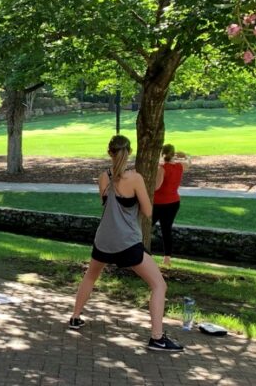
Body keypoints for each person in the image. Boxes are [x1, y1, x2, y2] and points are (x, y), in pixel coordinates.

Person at [69, 135, 183, 352]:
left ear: (109, 152)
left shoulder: (103, 177)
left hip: (103, 239)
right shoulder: (136, 178)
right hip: (127, 242)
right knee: (159, 285)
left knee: (91, 276)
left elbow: (108, 205)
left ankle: (75, 317)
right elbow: (148, 212)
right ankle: (157, 337)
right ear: (128, 152)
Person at [153, 144, 191, 267]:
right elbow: (189, 163)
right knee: (166, 229)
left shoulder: (162, 168)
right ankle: (167, 258)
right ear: (173, 154)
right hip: (174, 202)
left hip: (159, 203)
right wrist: (185, 155)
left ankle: (143, 252)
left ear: (162, 153)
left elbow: (156, 187)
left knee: (146, 227)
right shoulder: (179, 166)